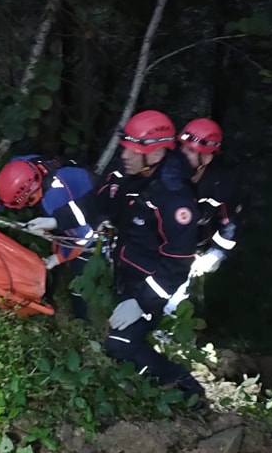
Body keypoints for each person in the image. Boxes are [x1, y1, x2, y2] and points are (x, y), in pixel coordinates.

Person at [26, 110, 207, 405]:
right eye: (125, 147)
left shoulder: (175, 198)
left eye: (136, 151)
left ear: (158, 153)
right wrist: (56, 220)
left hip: (151, 280)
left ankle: (182, 387)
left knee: (120, 344)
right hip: (124, 266)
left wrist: (143, 301)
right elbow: (96, 201)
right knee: (98, 320)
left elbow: (177, 262)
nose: (126, 155)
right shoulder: (128, 171)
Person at [0, 156, 98, 319]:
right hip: (71, 189)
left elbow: (83, 238)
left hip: (93, 215)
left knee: (81, 272)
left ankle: (83, 318)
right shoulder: (20, 167)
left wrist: (58, 258)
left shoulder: (55, 201)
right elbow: (3, 195)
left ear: (31, 196)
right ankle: (49, 291)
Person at [163, 117, 241, 313]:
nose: (183, 155)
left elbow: (229, 225)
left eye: (190, 151)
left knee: (173, 300)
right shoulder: (165, 173)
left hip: (190, 252)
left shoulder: (220, 187)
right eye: (182, 148)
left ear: (207, 158)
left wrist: (216, 254)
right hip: (155, 244)